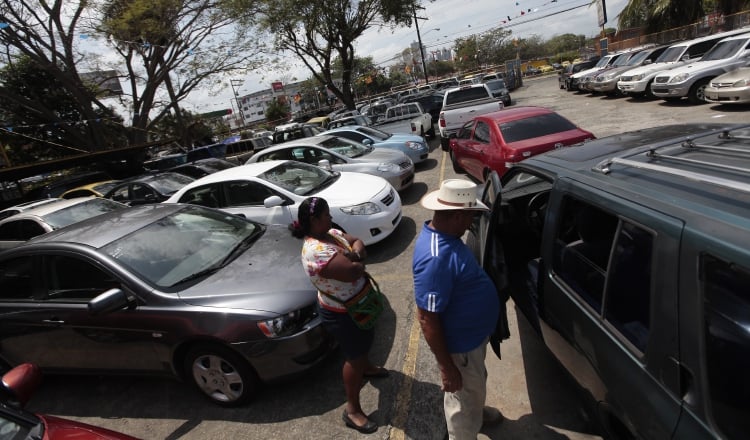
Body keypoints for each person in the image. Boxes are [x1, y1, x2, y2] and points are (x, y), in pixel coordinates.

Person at [412, 179, 503, 440]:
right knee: (461, 405)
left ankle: (477, 411)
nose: (472, 223)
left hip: (472, 340)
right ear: (457, 216)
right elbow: (427, 319)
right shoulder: (435, 258)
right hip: (461, 349)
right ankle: (465, 430)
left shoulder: (447, 237)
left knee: (473, 387)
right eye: (471, 217)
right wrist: (446, 367)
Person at [291, 196, 388, 434]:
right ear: (314, 220)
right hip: (342, 314)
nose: (331, 218)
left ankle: (366, 366)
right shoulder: (316, 251)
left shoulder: (331, 233)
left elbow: (357, 242)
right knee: (353, 357)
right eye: (326, 215)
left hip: (357, 305)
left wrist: (355, 254)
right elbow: (354, 272)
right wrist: (357, 259)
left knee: (363, 343)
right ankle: (352, 410)